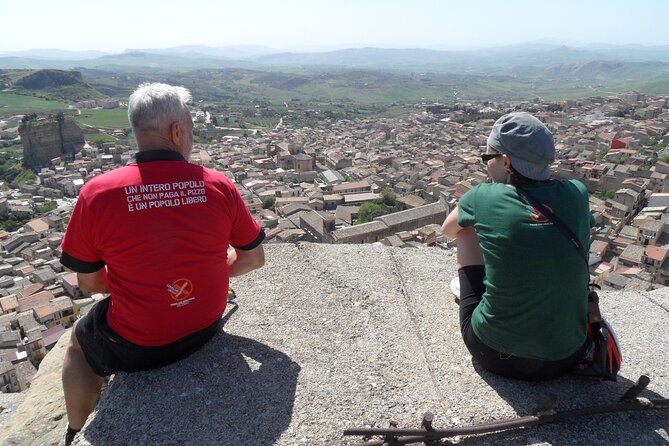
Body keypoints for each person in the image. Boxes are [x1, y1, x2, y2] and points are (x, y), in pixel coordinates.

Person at [60, 83, 265, 444]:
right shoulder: (218, 185)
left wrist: (139, 284)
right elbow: (253, 258)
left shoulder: (98, 193)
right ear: (175, 130)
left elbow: (89, 284)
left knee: (79, 343)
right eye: (190, 127)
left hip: (138, 345)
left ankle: (74, 430)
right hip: (206, 325)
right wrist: (212, 272)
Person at [442, 112, 592, 381]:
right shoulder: (577, 193)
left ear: (507, 162)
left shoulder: (482, 196)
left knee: (467, 230)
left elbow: (448, 230)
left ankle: (474, 292)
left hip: (495, 354)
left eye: (487, 158)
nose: (485, 164)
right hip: (570, 354)